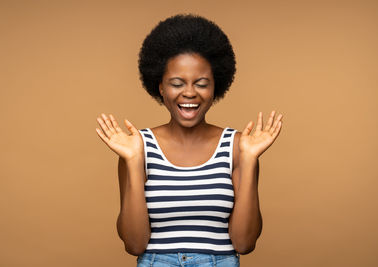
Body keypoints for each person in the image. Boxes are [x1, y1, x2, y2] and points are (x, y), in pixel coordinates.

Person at [95, 14, 283, 267]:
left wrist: (249, 159)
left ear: (215, 87)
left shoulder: (239, 147)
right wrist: (133, 160)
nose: (190, 93)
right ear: (161, 87)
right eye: (176, 83)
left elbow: (244, 244)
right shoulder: (136, 147)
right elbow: (134, 244)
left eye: (201, 83)